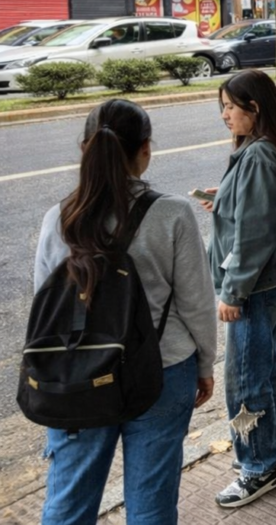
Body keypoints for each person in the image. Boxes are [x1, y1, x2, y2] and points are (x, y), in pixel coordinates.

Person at [35, 100, 216, 525]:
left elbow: (46, 304)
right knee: (152, 500)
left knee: (69, 500)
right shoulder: (172, 213)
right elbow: (196, 302)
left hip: (77, 377)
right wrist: (205, 364)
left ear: (85, 149)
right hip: (162, 369)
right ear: (145, 150)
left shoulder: (58, 219)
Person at [201, 70, 276, 508]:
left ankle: (259, 465)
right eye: (222, 107)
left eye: (230, 106)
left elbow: (256, 232)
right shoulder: (265, 149)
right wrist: (223, 196)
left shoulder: (261, 155)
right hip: (267, 283)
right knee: (265, 368)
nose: (225, 115)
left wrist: (233, 291)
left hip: (253, 287)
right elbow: (261, 209)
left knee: (245, 379)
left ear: (255, 108)